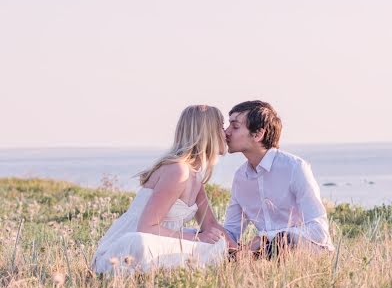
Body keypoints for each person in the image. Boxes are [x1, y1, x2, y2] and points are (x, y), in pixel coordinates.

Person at [92, 105, 236, 274]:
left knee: (216, 243)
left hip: (160, 241)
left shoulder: (195, 175)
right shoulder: (178, 171)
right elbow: (146, 228)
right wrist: (197, 238)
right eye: (220, 126)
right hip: (124, 249)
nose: (225, 132)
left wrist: (239, 249)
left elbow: (210, 224)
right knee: (143, 242)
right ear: (207, 132)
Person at [223, 100, 334, 257]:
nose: (226, 132)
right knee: (226, 252)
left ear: (258, 134)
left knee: (282, 241)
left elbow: (319, 230)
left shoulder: (295, 168)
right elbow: (231, 232)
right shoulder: (240, 177)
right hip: (264, 253)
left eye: (234, 127)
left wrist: (267, 238)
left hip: (306, 253)